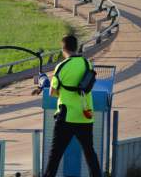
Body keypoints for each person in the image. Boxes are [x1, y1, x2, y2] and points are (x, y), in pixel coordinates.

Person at [43, 35, 101, 177]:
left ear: (63, 49)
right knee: (89, 153)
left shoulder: (61, 66)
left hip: (66, 117)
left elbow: (52, 92)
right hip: (85, 116)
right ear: (76, 47)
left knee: (55, 155)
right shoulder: (87, 64)